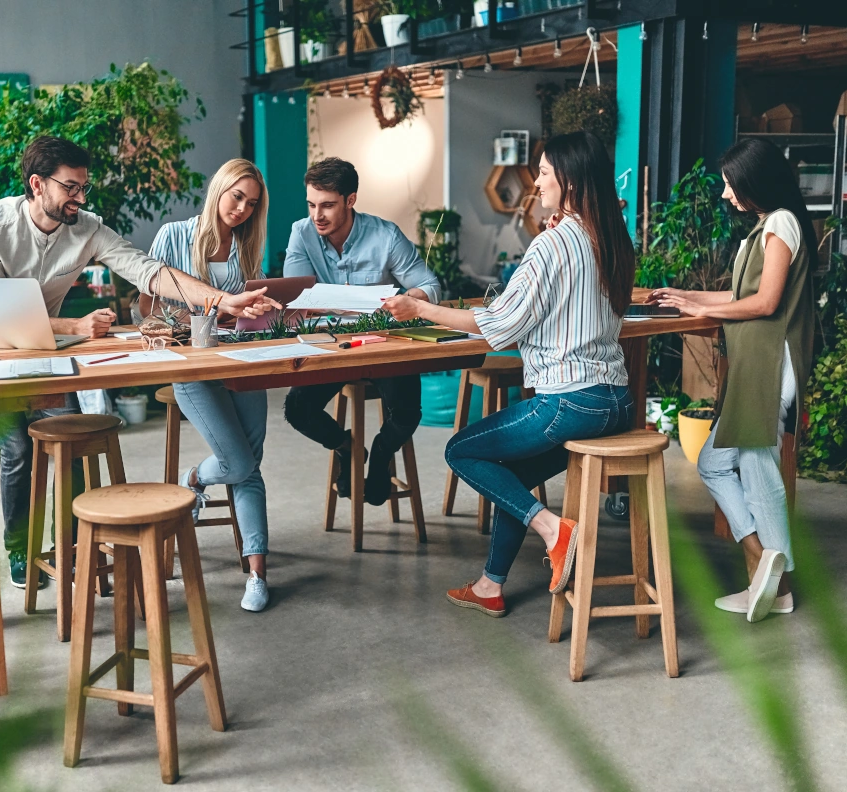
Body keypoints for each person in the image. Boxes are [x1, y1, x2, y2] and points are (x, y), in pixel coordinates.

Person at [0, 136, 279, 588]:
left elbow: (149, 271)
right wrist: (72, 328)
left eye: (84, 187)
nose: (80, 197)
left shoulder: (87, 227)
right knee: (16, 450)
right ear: (37, 184)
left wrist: (222, 300)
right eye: (70, 187)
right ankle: (21, 551)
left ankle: (69, 547)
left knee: (68, 443)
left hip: (50, 355)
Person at [382, 131, 636, 617]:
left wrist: (417, 308)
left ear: (570, 180)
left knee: (461, 450)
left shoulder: (553, 245)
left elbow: (497, 327)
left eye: (543, 173)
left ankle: (552, 529)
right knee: (511, 475)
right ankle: (489, 585)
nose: (536, 183)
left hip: (570, 403)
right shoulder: (613, 237)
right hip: (616, 403)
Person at [650, 138, 814, 623]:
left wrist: (701, 307)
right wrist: (687, 294)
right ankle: (761, 564)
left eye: (730, 185)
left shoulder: (781, 222)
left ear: (754, 182)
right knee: (716, 463)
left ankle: (776, 581)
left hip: (770, 366)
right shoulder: (766, 227)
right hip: (753, 366)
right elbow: (742, 294)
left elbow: (766, 303)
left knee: (758, 467)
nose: (725, 195)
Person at [148, 159, 274, 612]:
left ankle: (257, 574)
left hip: (242, 362)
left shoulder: (244, 246)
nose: (241, 209)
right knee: (239, 461)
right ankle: (196, 478)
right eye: (236, 196)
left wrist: (262, 313)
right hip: (192, 367)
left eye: (251, 203)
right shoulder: (174, 236)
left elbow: (246, 315)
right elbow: (148, 313)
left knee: (249, 465)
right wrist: (212, 314)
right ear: (218, 188)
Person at [283, 157, 440, 506]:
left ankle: (381, 456)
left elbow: (430, 285)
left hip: (382, 344)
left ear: (350, 200)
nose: (317, 215)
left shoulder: (385, 235)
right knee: (297, 409)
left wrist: (407, 300)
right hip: (331, 348)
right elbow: (297, 297)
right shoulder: (301, 233)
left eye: (327, 205)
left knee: (407, 413)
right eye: (311, 205)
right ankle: (347, 447)